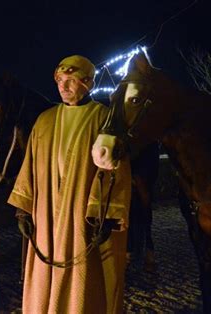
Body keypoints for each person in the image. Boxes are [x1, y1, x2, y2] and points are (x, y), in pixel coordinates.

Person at [8, 55, 132, 313]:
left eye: (70, 81)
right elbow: (29, 166)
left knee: (85, 278)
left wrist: (106, 216)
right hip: (45, 218)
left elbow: (116, 172)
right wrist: (23, 209)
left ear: (86, 83)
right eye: (60, 81)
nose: (63, 87)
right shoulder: (45, 120)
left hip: (82, 218)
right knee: (45, 274)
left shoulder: (104, 119)